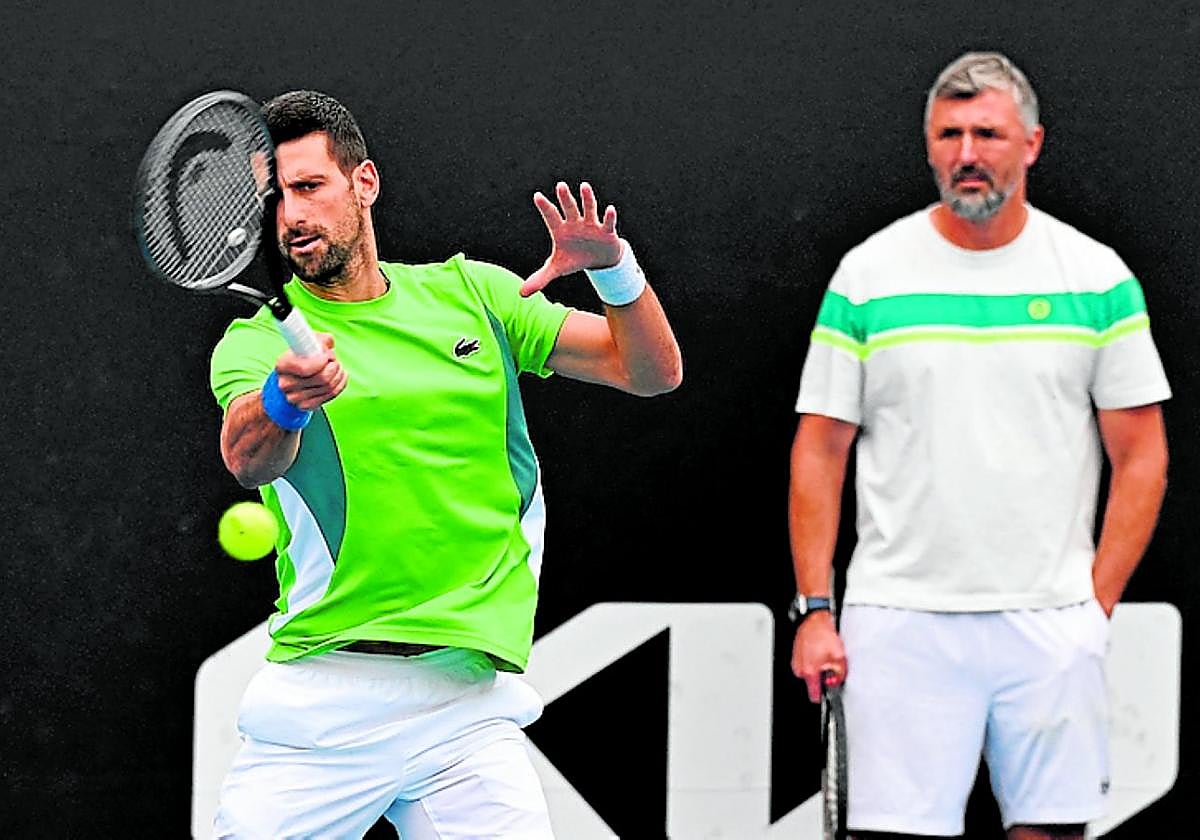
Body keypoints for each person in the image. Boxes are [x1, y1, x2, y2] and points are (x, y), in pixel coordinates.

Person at [209, 90, 681, 839]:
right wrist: (287, 399)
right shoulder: (254, 344)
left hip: (463, 707)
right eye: (275, 199)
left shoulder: (476, 295)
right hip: (322, 705)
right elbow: (248, 456)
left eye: (309, 187)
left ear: (363, 183)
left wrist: (615, 269)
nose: (292, 217)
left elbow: (649, 371)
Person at [788, 52, 1170, 840]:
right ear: (929, 146)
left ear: (1031, 144)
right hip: (899, 620)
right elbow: (819, 451)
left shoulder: (1096, 278)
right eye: (950, 134)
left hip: (1050, 620)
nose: (968, 153)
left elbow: (1143, 456)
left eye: (988, 133)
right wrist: (816, 610)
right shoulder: (869, 276)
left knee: (1050, 834)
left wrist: (1091, 606)